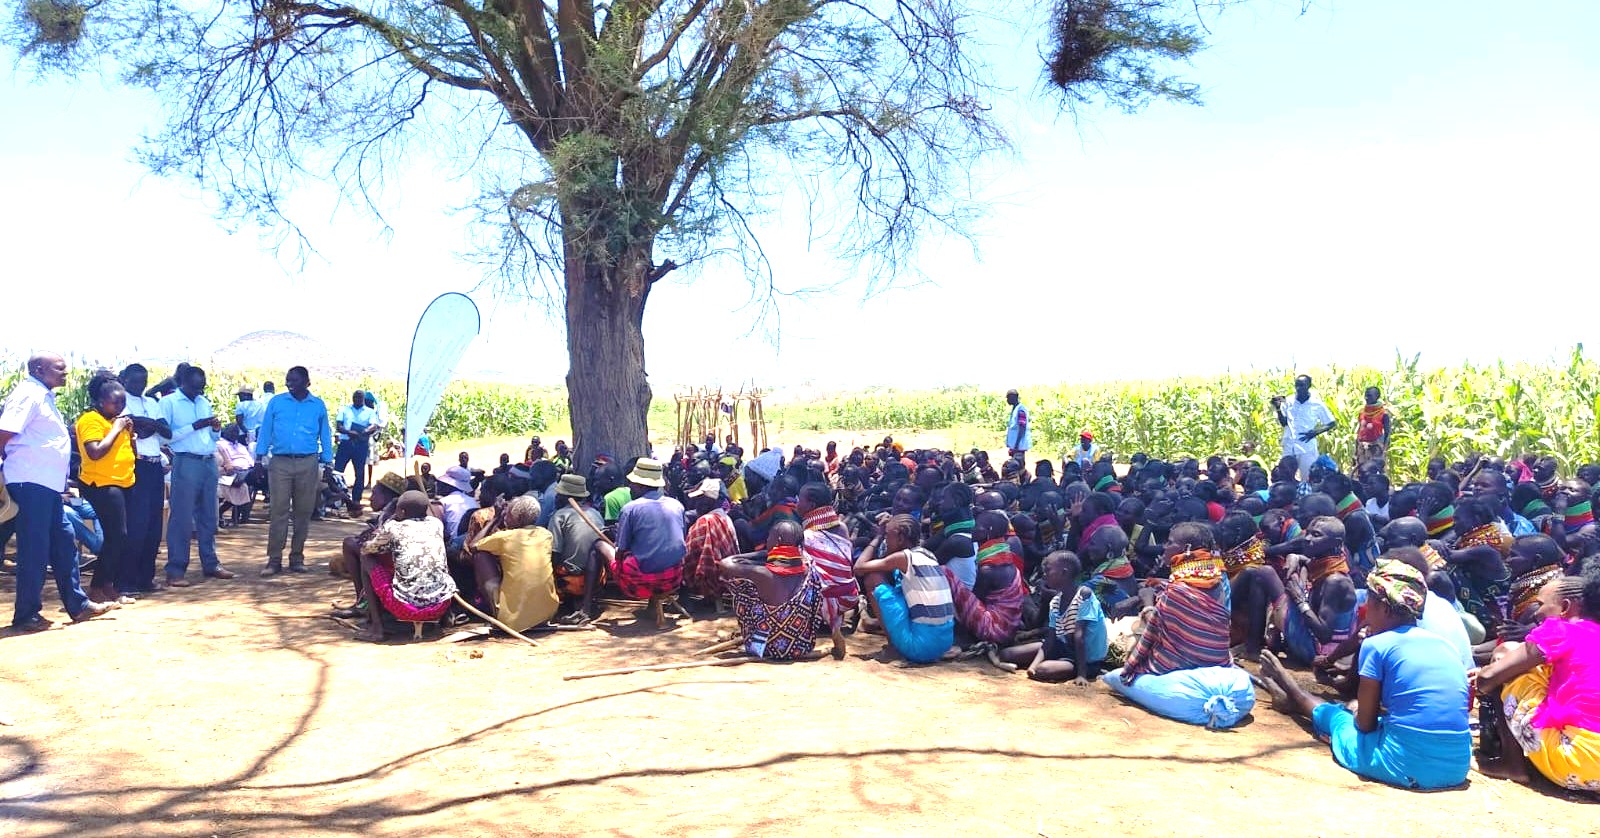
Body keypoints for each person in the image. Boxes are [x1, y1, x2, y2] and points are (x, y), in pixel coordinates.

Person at [1258, 560, 1471, 790]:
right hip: (1457, 766)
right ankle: (1295, 696)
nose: (1365, 611)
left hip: (1407, 765)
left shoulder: (1377, 645)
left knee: (1338, 718)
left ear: (1386, 609)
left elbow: (1365, 725)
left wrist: (1356, 710)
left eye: (1370, 603)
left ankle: (1294, 694)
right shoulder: (1445, 646)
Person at [1, 353, 114, 629]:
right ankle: (26, 614)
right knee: (34, 549)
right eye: (59, 368)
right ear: (39, 369)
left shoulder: (44, 395)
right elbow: (4, 432)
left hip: (46, 486)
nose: (65, 373)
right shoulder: (28, 394)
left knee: (64, 542)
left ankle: (78, 605)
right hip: (29, 482)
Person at [1473, 570, 1600, 791]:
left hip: (1578, 764)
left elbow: (1487, 679)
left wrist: (1486, 677)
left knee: (1506, 653)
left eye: (1540, 603)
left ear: (1565, 607)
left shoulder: (1560, 630)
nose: (1536, 612)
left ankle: (1511, 764)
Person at [1119, 522, 1232, 682]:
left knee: (1134, 634)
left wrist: (1147, 603)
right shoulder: (1215, 577)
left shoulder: (1177, 590)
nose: (1164, 547)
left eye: (1170, 542)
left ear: (1186, 548)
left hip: (1181, 663)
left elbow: (1153, 628)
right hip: (1216, 658)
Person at [159, 366, 236, 586]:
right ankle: (176, 569)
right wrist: (195, 426)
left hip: (208, 461)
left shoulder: (204, 402)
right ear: (182, 381)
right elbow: (166, 438)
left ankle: (211, 563)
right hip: (186, 461)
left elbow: (211, 437)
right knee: (182, 518)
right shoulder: (169, 403)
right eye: (194, 387)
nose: (198, 391)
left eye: (201, 387)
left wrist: (214, 430)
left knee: (209, 516)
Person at [255, 366, 334, 576]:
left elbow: (325, 433)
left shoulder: (317, 405)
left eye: (295, 380)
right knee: (278, 511)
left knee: (303, 511)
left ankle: (297, 558)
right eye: (288, 380)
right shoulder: (277, 402)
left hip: (307, 462)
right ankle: (274, 560)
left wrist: (328, 461)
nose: (290, 383)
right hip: (280, 462)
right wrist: (258, 456)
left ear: (307, 382)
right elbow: (265, 430)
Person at [354, 490, 456, 642]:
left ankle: (377, 628)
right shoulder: (436, 524)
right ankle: (446, 618)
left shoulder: (393, 527)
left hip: (405, 609)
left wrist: (392, 520)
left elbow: (368, 548)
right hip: (440, 606)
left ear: (401, 511)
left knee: (366, 558)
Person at [853, 513, 955, 664]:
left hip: (920, 647)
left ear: (900, 539)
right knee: (893, 582)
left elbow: (859, 568)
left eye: (888, 535)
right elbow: (885, 558)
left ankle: (893, 648)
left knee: (872, 578)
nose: (886, 540)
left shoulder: (903, 558)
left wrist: (878, 536)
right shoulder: (927, 554)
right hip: (944, 642)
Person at [588, 459, 686, 614]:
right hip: (674, 578)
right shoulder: (676, 505)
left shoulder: (630, 509)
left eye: (632, 483)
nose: (629, 487)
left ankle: (585, 608)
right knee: (653, 552)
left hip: (640, 582)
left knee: (598, 545)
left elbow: (620, 551)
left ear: (641, 485)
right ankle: (653, 606)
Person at [719, 519, 823, 659]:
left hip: (767, 649)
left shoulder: (762, 574)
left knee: (744, 589)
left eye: (769, 537)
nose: (767, 540)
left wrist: (766, 552)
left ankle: (757, 639)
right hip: (800, 646)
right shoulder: (811, 572)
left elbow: (725, 563)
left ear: (778, 541)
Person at [74, 374, 137, 605]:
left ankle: (108, 585)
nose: (120, 407)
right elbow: (95, 452)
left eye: (122, 403)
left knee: (119, 537)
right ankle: (96, 587)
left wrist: (129, 434)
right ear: (101, 402)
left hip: (123, 482)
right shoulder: (90, 420)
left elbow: (131, 452)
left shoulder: (115, 421)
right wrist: (116, 429)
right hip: (101, 483)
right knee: (116, 536)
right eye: (115, 403)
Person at [1001, 551, 1107, 683]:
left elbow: (1079, 637)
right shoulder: (1056, 601)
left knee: (1043, 670)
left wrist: (1081, 675)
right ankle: (1055, 663)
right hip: (1063, 648)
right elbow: (1050, 639)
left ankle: (1077, 669)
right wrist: (1032, 667)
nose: (1044, 575)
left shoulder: (1084, 595)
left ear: (1064, 572)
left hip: (1087, 659)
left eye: (1048, 570)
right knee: (1006, 655)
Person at [117, 364, 170, 595]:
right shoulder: (119, 399)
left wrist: (146, 422)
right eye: (136, 381)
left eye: (144, 380)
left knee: (153, 524)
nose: (140, 385)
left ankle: (146, 578)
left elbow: (166, 431)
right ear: (125, 379)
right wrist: (147, 423)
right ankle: (126, 581)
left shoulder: (152, 403)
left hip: (154, 464)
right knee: (136, 525)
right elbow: (130, 425)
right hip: (135, 464)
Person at [471, 495, 559, 632]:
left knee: (480, 555)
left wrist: (495, 519)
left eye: (508, 513)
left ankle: (495, 613)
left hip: (513, 620)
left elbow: (473, 546)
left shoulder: (505, 537)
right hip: (547, 613)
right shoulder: (545, 535)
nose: (505, 516)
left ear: (518, 518)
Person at [944, 510, 1027, 645]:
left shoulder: (988, 569)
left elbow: (974, 602)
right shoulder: (1004, 559)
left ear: (988, 531)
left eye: (977, 526)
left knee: (945, 573)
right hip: (1008, 628)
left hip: (994, 630)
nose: (973, 529)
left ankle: (963, 638)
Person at [797, 481, 856, 658]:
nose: (796, 503)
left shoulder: (806, 535)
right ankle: (833, 621)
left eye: (800, 500)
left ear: (811, 505)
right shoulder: (842, 527)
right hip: (848, 596)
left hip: (821, 600)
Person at [547, 474, 604, 607]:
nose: (556, 497)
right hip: (597, 579)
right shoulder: (595, 513)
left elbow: (554, 554)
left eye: (558, 494)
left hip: (570, 581)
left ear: (564, 497)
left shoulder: (559, 516)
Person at [681, 477, 738, 602]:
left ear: (710, 500)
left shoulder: (706, 521)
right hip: (728, 576)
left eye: (700, 498)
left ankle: (686, 601)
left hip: (713, 578)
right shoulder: (724, 516)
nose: (696, 503)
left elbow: (689, 554)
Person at [1273, 375, 1335, 482]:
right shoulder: (1288, 401)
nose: (1298, 388)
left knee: (1308, 477)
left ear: (1309, 386)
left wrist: (1315, 432)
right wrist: (1278, 408)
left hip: (1306, 446)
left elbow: (1331, 423)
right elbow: (1284, 423)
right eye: (1297, 385)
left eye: (1302, 385)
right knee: (1284, 477)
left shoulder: (1317, 404)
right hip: (1289, 445)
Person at [334, 389, 377, 513]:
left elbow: (373, 426)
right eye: (355, 397)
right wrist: (349, 432)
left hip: (360, 444)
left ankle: (356, 500)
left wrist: (362, 432)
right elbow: (339, 425)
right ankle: (337, 500)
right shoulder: (344, 409)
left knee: (359, 473)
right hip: (346, 442)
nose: (357, 400)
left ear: (363, 399)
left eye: (359, 398)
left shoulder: (370, 412)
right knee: (338, 472)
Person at [216, 423, 256, 527]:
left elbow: (250, 459)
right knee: (246, 485)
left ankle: (242, 517)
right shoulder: (221, 444)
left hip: (247, 471)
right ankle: (232, 515)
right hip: (232, 472)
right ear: (226, 432)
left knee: (258, 474)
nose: (234, 434)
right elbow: (226, 463)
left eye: (236, 432)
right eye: (232, 432)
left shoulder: (241, 446)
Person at [1353, 386, 1391, 473]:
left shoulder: (1384, 414)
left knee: (1374, 472)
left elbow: (1387, 433)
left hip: (1376, 448)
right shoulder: (1362, 413)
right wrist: (1356, 451)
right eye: (1366, 395)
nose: (1366, 398)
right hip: (1362, 447)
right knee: (1362, 471)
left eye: (1369, 395)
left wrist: (1383, 451)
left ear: (1377, 396)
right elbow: (1360, 431)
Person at [1004, 389, 1031, 458]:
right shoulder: (1015, 409)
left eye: (1008, 398)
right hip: (1015, 446)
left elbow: (1022, 427)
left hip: (1019, 446)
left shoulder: (1020, 409)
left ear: (1013, 397)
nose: (1007, 400)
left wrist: (1016, 446)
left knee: (1018, 464)